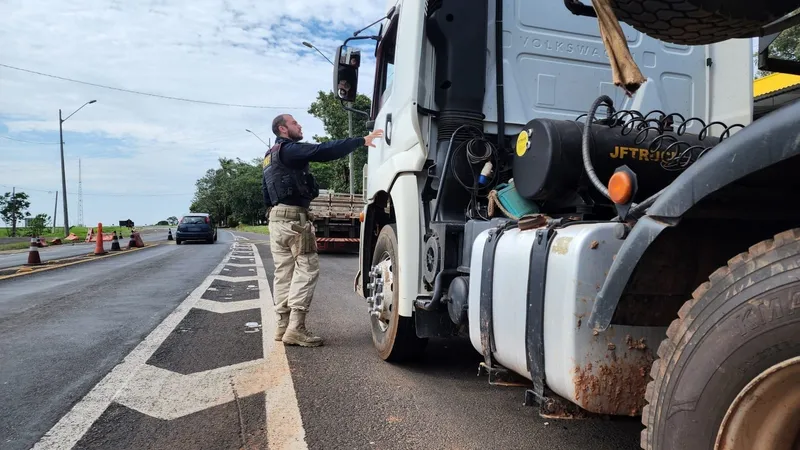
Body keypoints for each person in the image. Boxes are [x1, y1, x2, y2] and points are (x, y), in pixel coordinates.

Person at [262, 113, 384, 347]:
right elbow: (322, 151)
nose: (299, 125)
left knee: (283, 273)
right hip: (295, 220)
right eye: (294, 123)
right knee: (306, 269)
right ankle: (296, 328)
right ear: (283, 129)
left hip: (276, 220)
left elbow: (266, 194)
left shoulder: (269, 158)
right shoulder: (289, 150)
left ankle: (281, 326)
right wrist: (361, 140)